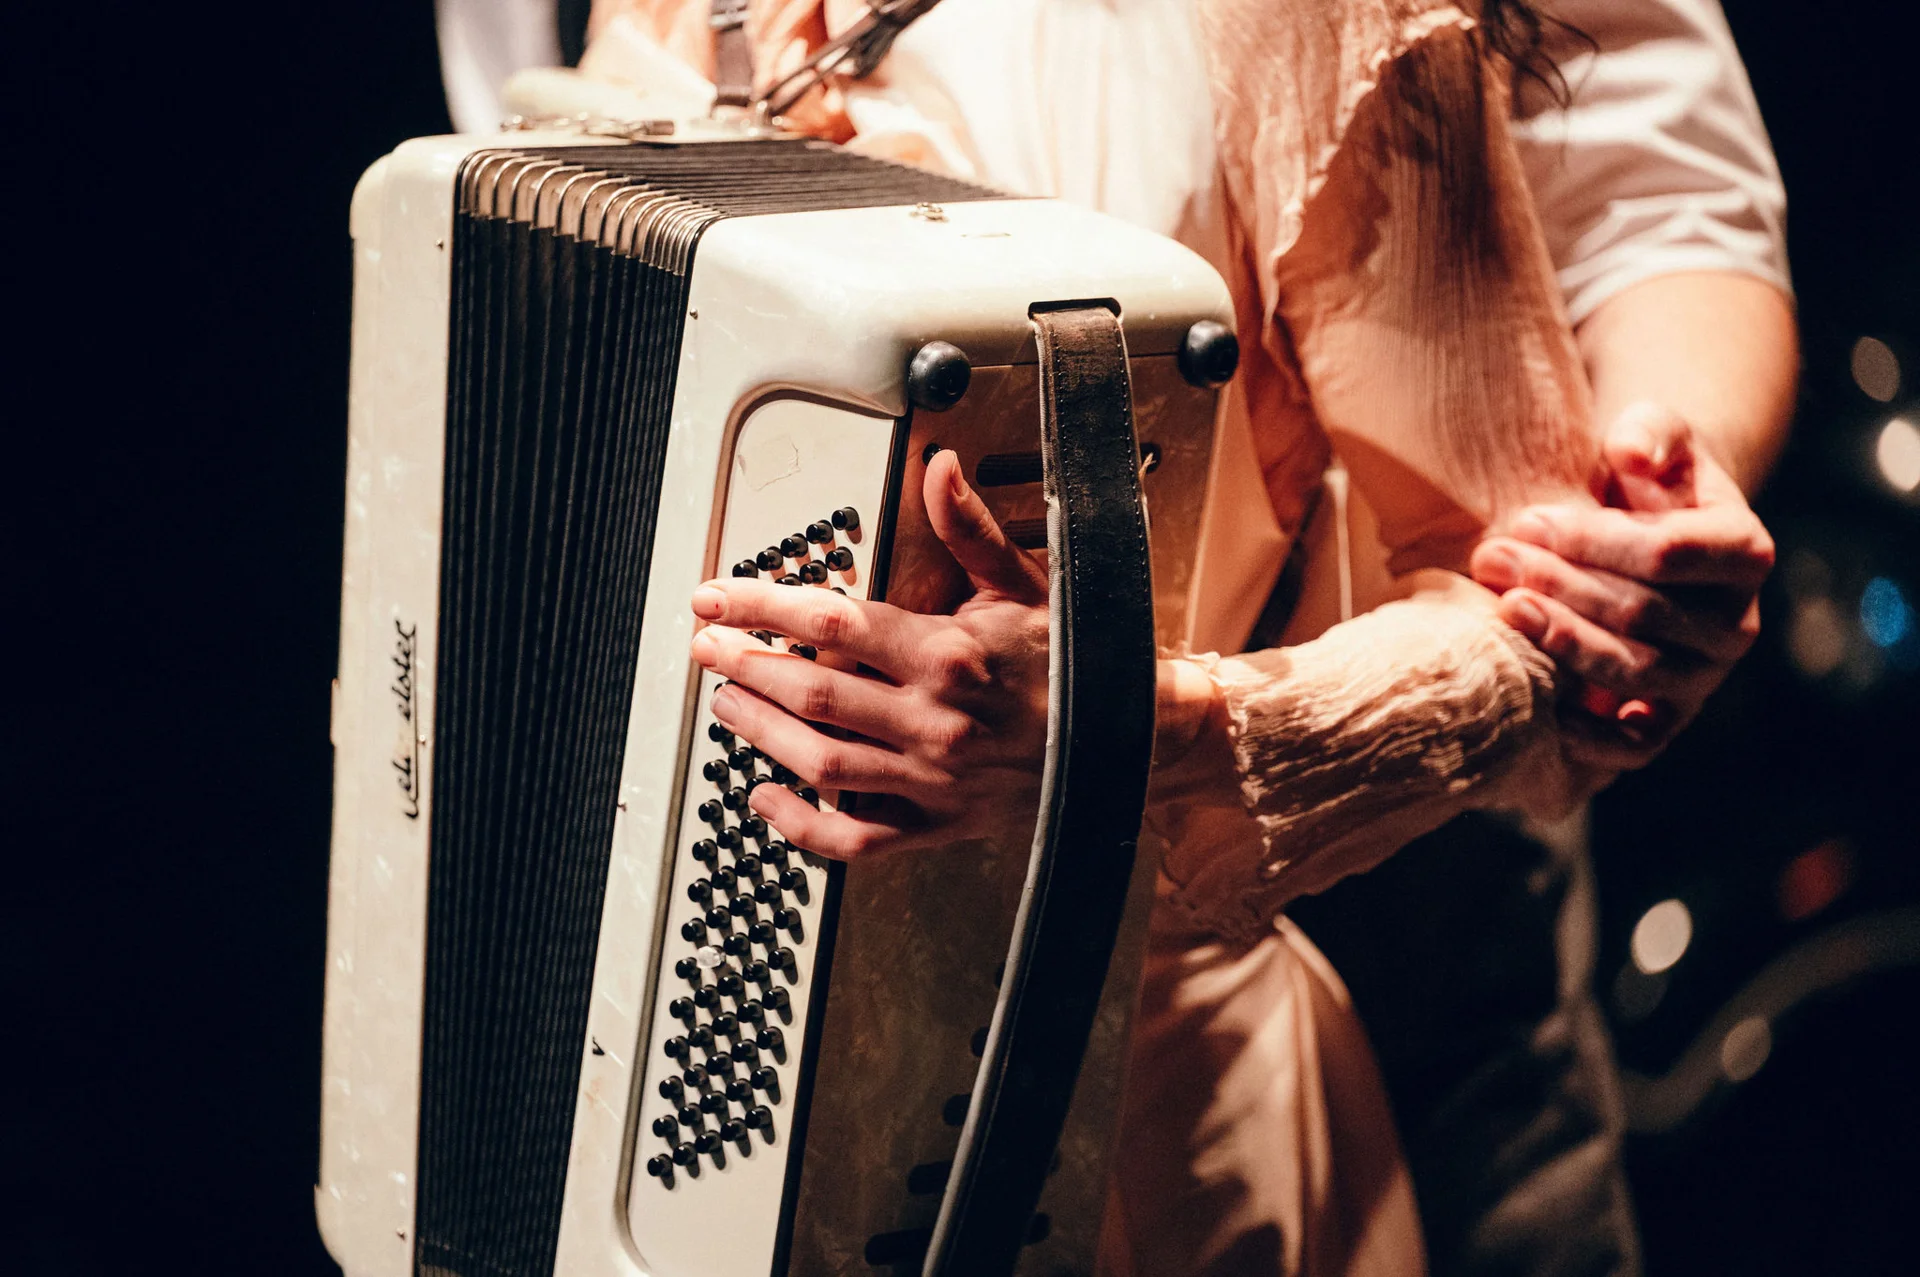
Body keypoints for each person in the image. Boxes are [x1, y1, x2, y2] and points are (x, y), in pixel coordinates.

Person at [552, 1, 1795, 1271]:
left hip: (1127, 1099)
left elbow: (1532, 625)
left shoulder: (1322, 25)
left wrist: (1129, 731)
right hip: (684, 1025)